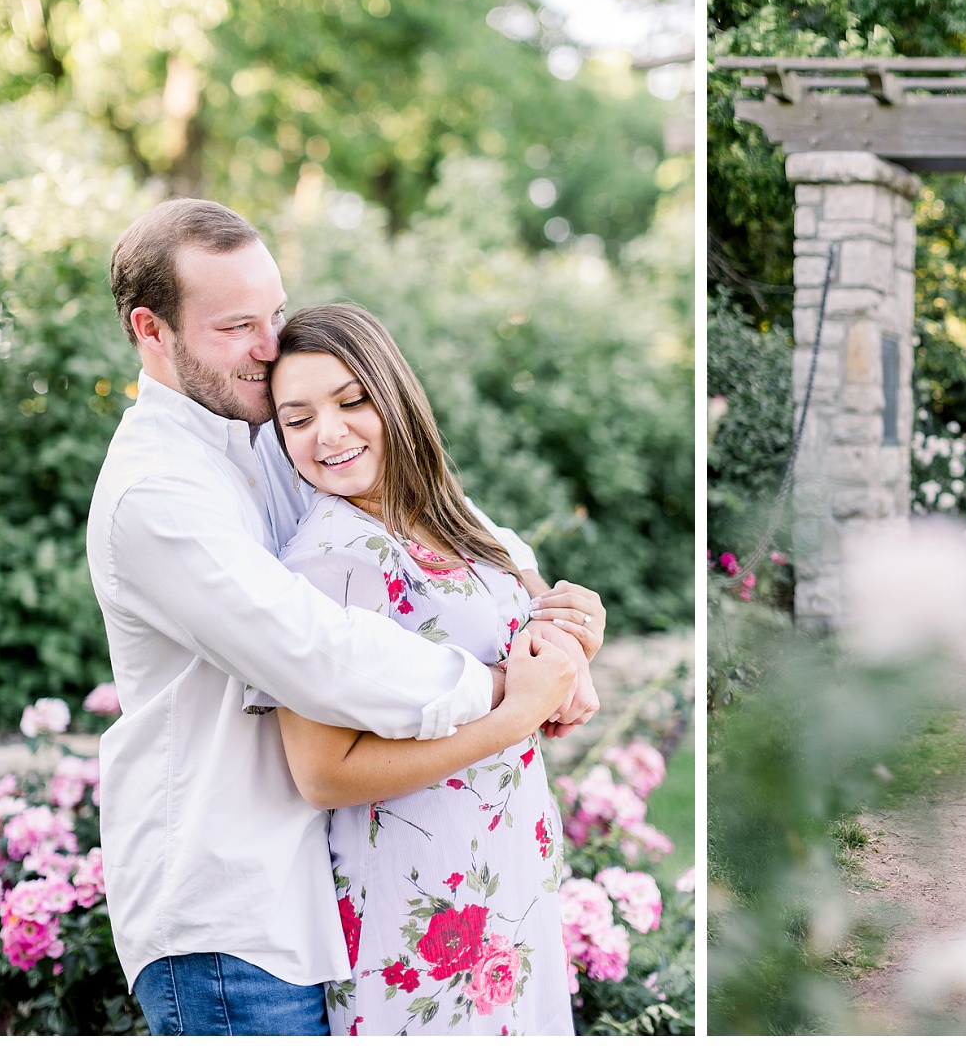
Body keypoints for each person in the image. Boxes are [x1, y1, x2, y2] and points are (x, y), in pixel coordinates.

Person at [87, 198, 600, 1035]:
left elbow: (451, 532)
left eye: (276, 312)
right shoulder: (158, 494)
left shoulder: (261, 431)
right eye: (237, 325)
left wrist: (567, 630)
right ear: (151, 330)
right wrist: (514, 691)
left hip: (320, 897)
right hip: (229, 924)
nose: (269, 344)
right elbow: (320, 654)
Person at [247, 303, 584, 1034]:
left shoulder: (444, 514)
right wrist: (515, 718)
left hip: (507, 873)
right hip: (418, 904)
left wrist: (576, 637)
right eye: (296, 419)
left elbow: (534, 614)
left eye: (350, 400)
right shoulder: (331, 559)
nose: (327, 434)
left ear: (392, 393)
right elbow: (323, 774)